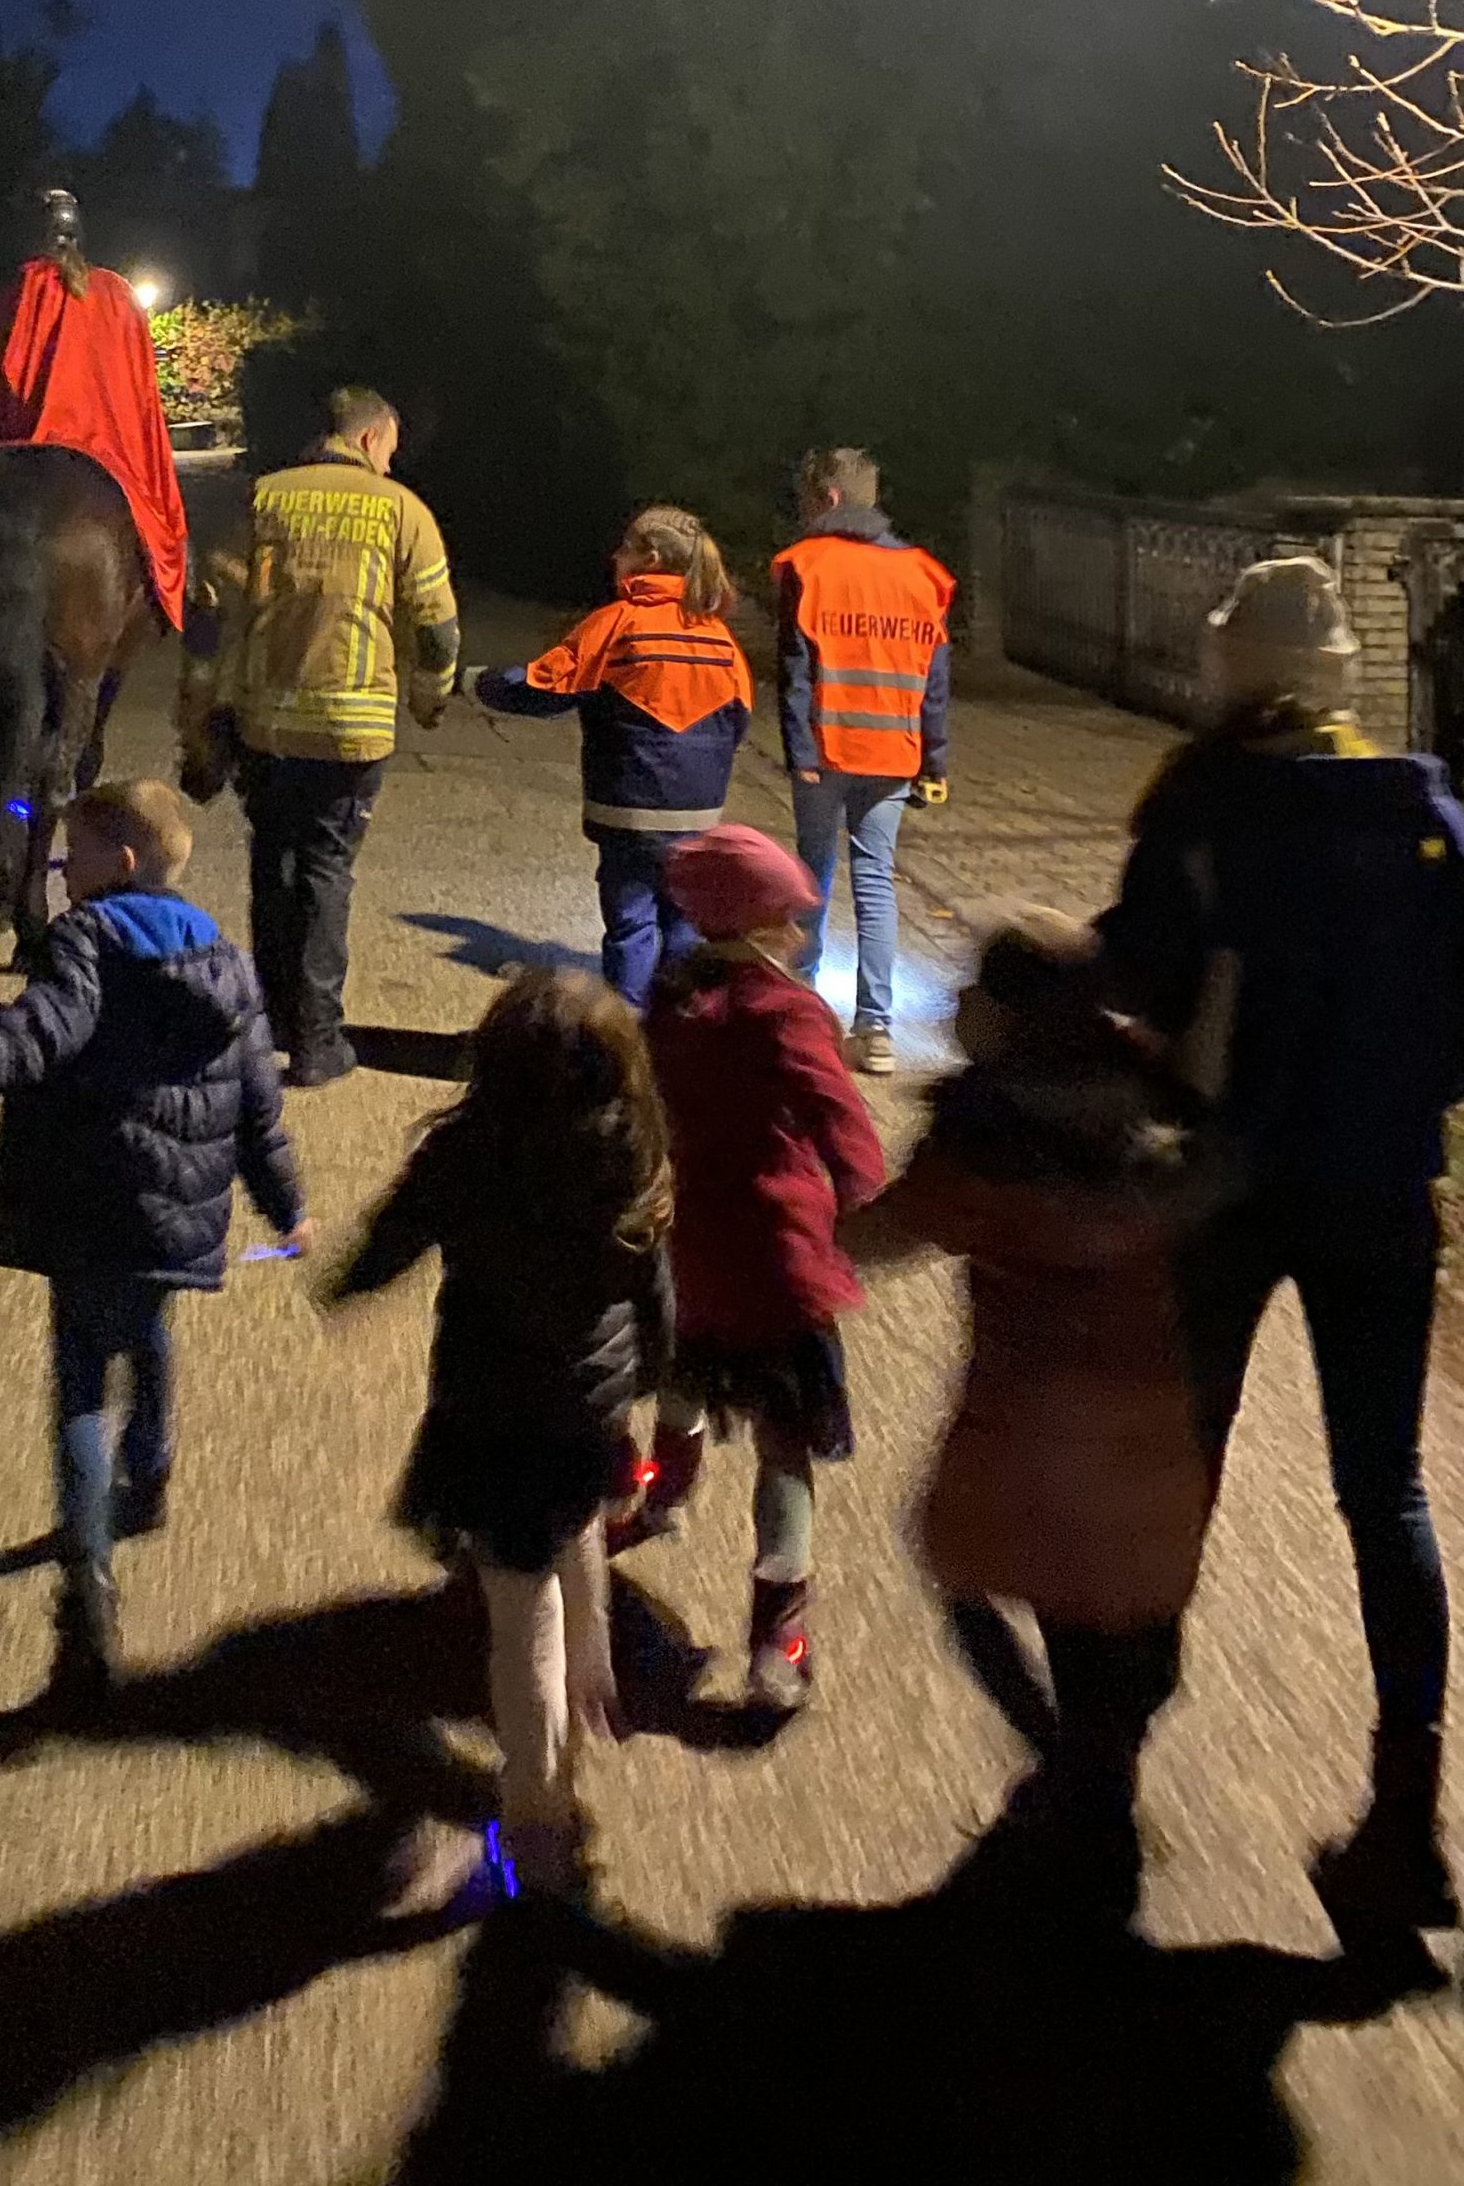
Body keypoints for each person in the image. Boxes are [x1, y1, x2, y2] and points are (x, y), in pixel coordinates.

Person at [1098, 553, 1464, 1949]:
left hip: (1227, 1183)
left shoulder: (1200, 801)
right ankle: (1404, 1815)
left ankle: (1105, 1770)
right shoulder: (1424, 810)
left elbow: (1136, 973)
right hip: (1379, 1188)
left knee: (1179, 1457)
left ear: (1227, 661)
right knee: (1384, 1491)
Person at [845, 912, 1220, 1926]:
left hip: (1030, 1431)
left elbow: (879, 1238)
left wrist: (787, 1232)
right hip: (1150, 1418)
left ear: (1005, 1012)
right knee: (1122, 1616)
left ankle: (1079, 1791)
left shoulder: (986, 1136)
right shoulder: (1155, 1100)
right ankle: (1098, 1778)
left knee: (989, 1584)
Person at [0, 779, 308, 1694]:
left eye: (73, 853)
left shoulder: (84, 940)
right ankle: (150, 1474)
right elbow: (258, 1102)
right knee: (150, 1326)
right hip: (175, 1210)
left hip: (88, 1197)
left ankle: (87, 1577)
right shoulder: (228, 963)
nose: (60, 867)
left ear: (119, 865)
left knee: (81, 1384)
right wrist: (288, 1207)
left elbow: (47, 1024)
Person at [322, 968, 672, 1896]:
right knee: (578, 1528)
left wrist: (349, 1281)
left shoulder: (468, 1153)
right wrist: (655, 1373)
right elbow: (653, 1290)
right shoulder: (627, 1150)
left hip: (492, 1410)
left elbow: (396, 1231)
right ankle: (596, 1678)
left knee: (521, 1622)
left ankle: (535, 1820)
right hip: (587, 1407)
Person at [622, 823, 886, 1709]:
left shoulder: (672, 999)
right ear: (760, 923)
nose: (800, 930)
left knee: (682, 1378)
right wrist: (867, 1203)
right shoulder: (786, 1012)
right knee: (783, 1443)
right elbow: (837, 1119)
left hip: (691, 1242)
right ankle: (778, 1639)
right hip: (776, 1255)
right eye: (788, 915)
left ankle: (660, 1497)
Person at [200, 385, 460, 1085]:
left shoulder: (266, 498)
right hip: (352, 730)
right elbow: (436, 628)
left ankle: (268, 1023)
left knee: (272, 863)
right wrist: (430, 697)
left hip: (265, 724)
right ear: (371, 438)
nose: (389, 463)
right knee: (325, 868)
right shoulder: (401, 509)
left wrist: (203, 702)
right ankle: (317, 1042)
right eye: (390, 449)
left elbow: (213, 601)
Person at [469, 505, 752, 1009]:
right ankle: (681, 1028)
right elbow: (738, 722)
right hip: (699, 813)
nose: (615, 557)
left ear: (651, 557)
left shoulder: (618, 624)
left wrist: (474, 682)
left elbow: (542, 688)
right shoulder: (719, 639)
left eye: (625, 547)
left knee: (631, 925)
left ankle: (624, 1030)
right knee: (682, 925)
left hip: (630, 809)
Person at [771, 446, 954, 1075]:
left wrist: (798, 751)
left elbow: (795, 672)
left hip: (825, 751)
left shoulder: (807, 564)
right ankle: (875, 1029)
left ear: (827, 499)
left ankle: (799, 1009)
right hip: (894, 754)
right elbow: (935, 682)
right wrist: (934, 762)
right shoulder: (925, 574)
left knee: (811, 877)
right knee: (875, 883)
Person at [0, 188, 191, 635]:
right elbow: (139, 391)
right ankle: (185, 601)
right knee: (161, 533)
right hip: (106, 448)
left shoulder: (15, 292)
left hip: (21, 439)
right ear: (79, 235)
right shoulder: (117, 293)